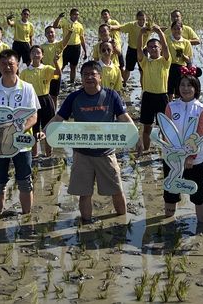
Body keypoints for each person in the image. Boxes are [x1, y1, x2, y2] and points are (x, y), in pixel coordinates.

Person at [47, 60, 142, 222]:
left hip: (106, 153)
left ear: (100, 76)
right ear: (81, 78)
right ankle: (86, 223)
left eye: (93, 74)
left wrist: (136, 136)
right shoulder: (74, 97)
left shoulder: (111, 95)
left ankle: (122, 222)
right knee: (85, 193)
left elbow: (124, 117)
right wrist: (45, 132)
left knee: (117, 190)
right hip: (82, 154)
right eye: (85, 75)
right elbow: (58, 117)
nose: (89, 77)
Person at [0, 49, 40, 215]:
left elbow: (33, 116)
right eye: (4, 64)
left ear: (17, 65)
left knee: (25, 181)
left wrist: (15, 130)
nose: (7, 67)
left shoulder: (27, 88)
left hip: (21, 144)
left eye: (11, 64)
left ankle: (26, 216)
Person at [162, 71, 203, 221]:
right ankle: (169, 223)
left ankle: (202, 227)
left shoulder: (202, 110)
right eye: (182, 85)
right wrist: (172, 155)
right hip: (172, 159)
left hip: (193, 161)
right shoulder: (171, 106)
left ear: (196, 88)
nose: (185, 88)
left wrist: (190, 156)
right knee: (170, 191)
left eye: (189, 85)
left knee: (198, 194)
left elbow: (199, 135)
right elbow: (166, 133)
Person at [20, 45, 61, 158]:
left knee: (48, 127)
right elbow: (21, 89)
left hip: (45, 100)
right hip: (32, 102)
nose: (36, 54)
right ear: (30, 55)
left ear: (42, 55)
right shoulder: (25, 72)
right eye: (33, 52)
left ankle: (48, 153)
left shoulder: (47, 68)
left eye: (38, 52)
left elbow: (57, 74)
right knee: (34, 128)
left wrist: (56, 62)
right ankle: (34, 154)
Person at [137, 24, 171, 151]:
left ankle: (166, 150)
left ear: (160, 48)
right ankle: (146, 150)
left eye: (155, 46)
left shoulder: (165, 61)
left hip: (162, 96)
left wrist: (159, 32)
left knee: (164, 127)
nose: (153, 49)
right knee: (147, 127)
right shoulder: (145, 62)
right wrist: (141, 33)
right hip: (148, 97)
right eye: (150, 47)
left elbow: (166, 46)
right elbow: (139, 49)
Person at [109, 11, 149, 87]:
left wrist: (170, 29)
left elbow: (159, 29)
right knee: (128, 69)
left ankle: (144, 88)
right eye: (140, 19)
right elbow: (120, 27)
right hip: (132, 49)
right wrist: (111, 27)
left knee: (143, 70)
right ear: (137, 19)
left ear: (145, 19)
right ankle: (124, 83)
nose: (141, 21)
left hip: (143, 50)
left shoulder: (148, 26)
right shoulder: (131, 25)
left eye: (143, 19)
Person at [53, 8, 87, 85]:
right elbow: (55, 26)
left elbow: (82, 38)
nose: (76, 16)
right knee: (61, 65)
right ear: (71, 15)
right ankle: (55, 80)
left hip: (76, 47)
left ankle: (72, 82)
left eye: (77, 15)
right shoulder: (65, 22)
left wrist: (85, 51)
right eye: (74, 14)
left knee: (73, 66)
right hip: (66, 47)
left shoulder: (79, 25)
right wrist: (59, 17)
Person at [41, 25, 71, 108]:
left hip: (56, 72)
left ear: (55, 33)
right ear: (45, 35)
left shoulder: (59, 44)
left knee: (55, 94)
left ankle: (54, 110)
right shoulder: (42, 47)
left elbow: (66, 41)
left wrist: (70, 32)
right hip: (45, 73)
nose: (50, 34)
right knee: (46, 92)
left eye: (52, 32)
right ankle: (47, 108)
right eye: (48, 33)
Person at [166, 21, 192, 99]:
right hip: (169, 66)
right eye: (174, 29)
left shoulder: (186, 42)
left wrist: (182, 55)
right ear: (171, 29)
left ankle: (178, 104)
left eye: (178, 29)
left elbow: (188, 59)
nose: (176, 31)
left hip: (181, 68)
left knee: (179, 88)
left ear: (182, 29)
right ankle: (169, 105)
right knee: (169, 88)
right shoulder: (167, 40)